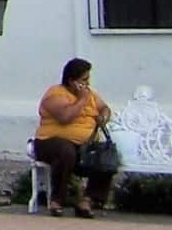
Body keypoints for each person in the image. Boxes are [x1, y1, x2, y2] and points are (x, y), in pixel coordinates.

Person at [34, 56, 115, 217]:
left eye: (88, 79)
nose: (87, 84)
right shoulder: (55, 94)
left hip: (83, 145)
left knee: (106, 157)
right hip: (49, 142)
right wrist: (82, 100)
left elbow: (104, 108)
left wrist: (103, 117)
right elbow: (65, 117)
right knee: (66, 152)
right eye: (83, 80)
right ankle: (57, 200)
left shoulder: (91, 94)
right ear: (71, 81)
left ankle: (87, 201)